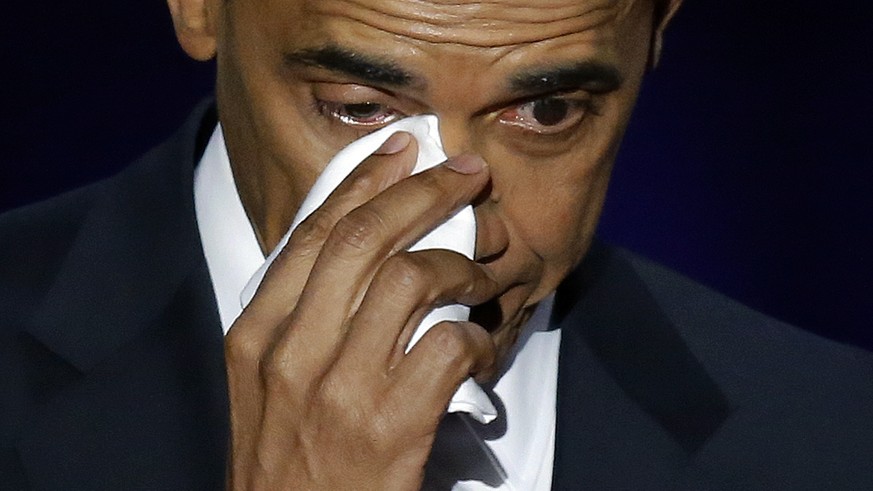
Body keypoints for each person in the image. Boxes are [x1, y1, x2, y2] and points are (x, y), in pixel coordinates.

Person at [1, 0, 871, 489]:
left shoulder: (837, 439)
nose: (460, 235)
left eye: (547, 112)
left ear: (654, 29)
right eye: (357, 107)